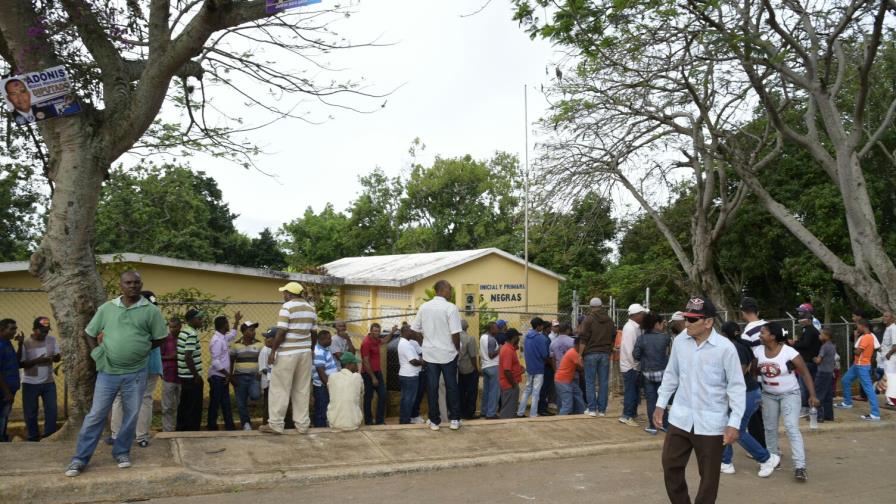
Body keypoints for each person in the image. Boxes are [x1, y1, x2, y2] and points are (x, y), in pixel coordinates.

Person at [65, 271, 167, 477]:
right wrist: (97, 352)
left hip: (137, 372)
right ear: (121, 285)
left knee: (131, 415)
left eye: (137, 282)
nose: (133, 286)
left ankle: (121, 452)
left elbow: (160, 337)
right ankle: (79, 459)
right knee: (96, 415)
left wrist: (142, 349)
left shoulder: (150, 310)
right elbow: (89, 332)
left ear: (141, 284)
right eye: (128, 282)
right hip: (108, 372)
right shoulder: (107, 308)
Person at [654, 297, 745, 504]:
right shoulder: (680, 342)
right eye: (686, 318)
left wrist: (734, 423)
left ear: (708, 322)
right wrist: (660, 404)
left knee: (709, 477)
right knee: (670, 464)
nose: (687, 324)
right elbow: (671, 375)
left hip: (711, 423)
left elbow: (736, 387)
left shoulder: (725, 348)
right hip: (681, 417)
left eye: (693, 320)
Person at [755, 322, 819, 481]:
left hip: (790, 394)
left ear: (773, 336)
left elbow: (805, 374)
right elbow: (754, 373)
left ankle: (800, 466)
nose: (760, 335)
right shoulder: (758, 351)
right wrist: (757, 393)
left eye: (763, 332)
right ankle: (772, 459)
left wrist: (812, 395)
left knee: (791, 427)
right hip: (768, 395)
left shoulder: (789, 352)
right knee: (769, 428)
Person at [718, 322, 780, 477]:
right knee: (727, 426)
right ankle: (725, 462)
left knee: (736, 431)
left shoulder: (736, 348)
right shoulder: (739, 346)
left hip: (746, 394)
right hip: (747, 392)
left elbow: (739, 372)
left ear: (725, 334)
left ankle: (766, 458)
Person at [261, 282, 318, 435]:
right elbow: (314, 333)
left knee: (280, 388)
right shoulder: (311, 309)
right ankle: (302, 424)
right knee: (302, 389)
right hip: (305, 353)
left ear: (290, 293)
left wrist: (273, 351)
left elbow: (281, 332)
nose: (283, 295)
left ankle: (276, 424)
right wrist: (311, 350)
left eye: (284, 292)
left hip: (287, 354)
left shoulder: (287, 307)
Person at [109, 291, 163, 447]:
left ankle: (116, 435)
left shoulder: (133, 316)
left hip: (130, 364)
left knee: (120, 397)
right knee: (145, 399)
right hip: (152, 365)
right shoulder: (156, 316)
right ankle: (142, 437)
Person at [411, 280, 463, 431]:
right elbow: (455, 333)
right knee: (452, 386)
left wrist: (424, 343)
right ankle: (454, 419)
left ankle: (434, 421)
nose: (451, 291)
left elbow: (415, 329)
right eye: (450, 289)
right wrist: (457, 349)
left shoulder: (424, 307)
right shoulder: (450, 308)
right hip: (447, 354)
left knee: (432, 387)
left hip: (430, 354)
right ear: (443, 290)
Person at [19, 316, 60, 441]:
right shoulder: (26, 342)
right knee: (31, 412)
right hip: (30, 383)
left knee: (52, 410)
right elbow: (21, 364)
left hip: (48, 382)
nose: (45, 333)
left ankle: (49, 435)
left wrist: (55, 357)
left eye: (47, 331)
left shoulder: (52, 340)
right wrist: (39, 360)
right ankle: (33, 437)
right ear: (34, 329)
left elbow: (58, 357)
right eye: (42, 331)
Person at [835, 319, 881, 421]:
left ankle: (875, 414)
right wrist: (856, 337)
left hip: (862, 366)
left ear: (863, 325)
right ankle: (847, 402)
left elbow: (857, 352)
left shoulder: (867, 337)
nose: (857, 328)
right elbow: (857, 348)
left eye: (857, 326)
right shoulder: (866, 336)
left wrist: (854, 350)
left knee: (868, 389)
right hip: (857, 365)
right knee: (845, 380)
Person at [633, 313, 670, 435]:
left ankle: (653, 426)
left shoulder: (642, 338)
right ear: (656, 324)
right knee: (662, 399)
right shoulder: (665, 338)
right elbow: (669, 355)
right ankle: (665, 425)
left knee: (651, 400)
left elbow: (636, 355)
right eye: (661, 323)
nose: (663, 325)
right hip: (663, 372)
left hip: (647, 373)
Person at [578, 297, 614, 417]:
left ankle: (592, 409)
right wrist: (608, 350)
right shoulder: (610, 320)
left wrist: (579, 355)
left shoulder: (588, 320)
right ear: (602, 306)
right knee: (603, 382)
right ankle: (602, 410)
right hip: (605, 353)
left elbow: (583, 339)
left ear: (590, 307)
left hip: (591, 354)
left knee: (590, 382)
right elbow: (613, 337)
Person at [739, 297, 767, 448]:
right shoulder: (771, 326)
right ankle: (772, 445)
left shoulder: (747, 334)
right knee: (770, 416)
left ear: (743, 312)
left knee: (755, 416)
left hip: (758, 378)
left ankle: (758, 446)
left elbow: (749, 360)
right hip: (776, 375)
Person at [207, 312, 241, 431]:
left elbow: (232, 335)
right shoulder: (217, 340)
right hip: (217, 377)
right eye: (227, 323)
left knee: (226, 403)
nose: (228, 325)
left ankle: (230, 427)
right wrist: (229, 376)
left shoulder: (223, 337)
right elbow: (215, 362)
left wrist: (236, 321)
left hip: (223, 377)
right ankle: (212, 427)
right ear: (223, 325)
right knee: (215, 404)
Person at [230, 321, 263, 430]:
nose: (254, 332)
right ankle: (246, 423)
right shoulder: (236, 345)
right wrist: (231, 376)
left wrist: (261, 372)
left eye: (254, 330)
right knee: (241, 403)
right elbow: (231, 361)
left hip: (254, 376)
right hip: (239, 377)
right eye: (251, 330)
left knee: (256, 395)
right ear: (244, 332)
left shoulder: (259, 344)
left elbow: (263, 360)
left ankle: (249, 391)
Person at [176, 309, 205, 431]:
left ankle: (181, 428)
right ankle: (192, 430)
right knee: (194, 406)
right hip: (191, 377)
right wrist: (196, 376)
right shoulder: (192, 334)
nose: (201, 321)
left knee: (184, 404)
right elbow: (188, 356)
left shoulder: (183, 332)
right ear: (191, 320)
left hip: (183, 375)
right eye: (199, 319)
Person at [619, 303, 647, 426]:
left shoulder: (635, 327)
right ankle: (626, 415)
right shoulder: (630, 328)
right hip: (630, 366)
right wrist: (635, 365)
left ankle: (632, 414)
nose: (643, 316)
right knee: (631, 391)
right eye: (642, 314)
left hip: (632, 365)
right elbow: (630, 349)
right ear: (636, 315)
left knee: (634, 391)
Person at [360, 323, 393, 425]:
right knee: (368, 397)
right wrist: (373, 377)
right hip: (368, 374)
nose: (377, 333)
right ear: (371, 331)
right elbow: (365, 361)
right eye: (375, 331)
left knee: (383, 395)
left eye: (378, 331)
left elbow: (384, 341)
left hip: (377, 372)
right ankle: (368, 421)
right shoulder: (366, 343)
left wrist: (392, 332)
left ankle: (379, 421)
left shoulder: (376, 340)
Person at [792, 306, 822, 416]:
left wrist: (794, 344)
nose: (800, 321)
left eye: (802, 319)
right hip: (809, 361)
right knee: (808, 384)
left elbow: (805, 344)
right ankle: (809, 406)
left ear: (809, 320)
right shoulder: (809, 330)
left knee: (803, 385)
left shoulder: (810, 330)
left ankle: (804, 408)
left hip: (808, 361)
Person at [518, 317, 550, 418]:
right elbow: (545, 355)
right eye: (541, 325)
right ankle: (533, 414)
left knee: (527, 390)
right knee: (536, 392)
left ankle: (520, 412)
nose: (542, 327)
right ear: (538, 326)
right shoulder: (540, 338)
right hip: (539, 368)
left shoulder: (527, 336)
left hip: (529, 367)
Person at [327, 352, 364, 431]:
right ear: (349, 364)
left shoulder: (332, 377)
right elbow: (362, 391)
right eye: (355, 364)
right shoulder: (357, 377)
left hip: (335, 423)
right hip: (353, 424)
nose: (357, 366)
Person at [0, 319, 22, 442]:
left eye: (15, 328)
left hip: (9, 389)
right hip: (3, 391)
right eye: (12, 328)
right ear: (2, 330)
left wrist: (20, 345)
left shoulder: (7, 343)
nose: (15, 331)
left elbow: (16, 361)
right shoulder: (0, 345)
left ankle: (3, 438)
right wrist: (6, 391)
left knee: (4, 416)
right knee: (2, 416)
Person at [398, 325, 425, 424]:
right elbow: (413, 361)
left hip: (408, 375)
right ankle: (405, 420)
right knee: (409, 399)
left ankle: (404, 419)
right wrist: (422, 362)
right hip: (409, 376)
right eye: (410, 331)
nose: (412, 333)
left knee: (406, 398)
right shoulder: (405, 344)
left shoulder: (406, 343)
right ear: (406, 332)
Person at [311, 330, 338, 428]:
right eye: (329, 338)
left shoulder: (324, 349)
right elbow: (320, 371)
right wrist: (328, 385)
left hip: (325, 385)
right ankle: (320, 430)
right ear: (323, 339)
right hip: (322, 386)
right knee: (321, 409)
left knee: (324, 408)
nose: (331, 340)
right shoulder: (319, 352)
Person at [159, 318, 182, 432]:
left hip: (182, 377)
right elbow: (159, 357)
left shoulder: (184, 338)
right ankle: (167, 430)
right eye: (170, 327)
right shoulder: (165, 340)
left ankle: (179, 428)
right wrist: (171, 357)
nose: (172, 329)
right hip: (168, 376)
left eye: (174, 327)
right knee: (167, 406)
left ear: (180, 327)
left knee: (181, 405)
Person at [498, 329, 524, 419]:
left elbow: (511, 367)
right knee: (508, 410)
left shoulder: (509, 348)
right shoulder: (507, 350)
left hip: (510, 383)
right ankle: (505, 429)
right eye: (517, 336)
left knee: (510, 408)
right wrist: (513, 384)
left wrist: (520, 369)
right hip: (509, 384)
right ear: (514, 338)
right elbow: (507, 370)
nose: (519, 338)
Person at [813, 328, 836, 423]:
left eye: (821, 334)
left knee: (818, 394)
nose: (819, 336)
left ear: (826, 336)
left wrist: (814, 358)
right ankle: (828, 415)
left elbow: (819, 360)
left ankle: (819, 416)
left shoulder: (824, 347)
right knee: (827, 395)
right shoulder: (832, 346)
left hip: (822, 372)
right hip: (829, 373)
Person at [457, 319, 479, 419]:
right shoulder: (470, 339)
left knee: (461, 391)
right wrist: (476, 369)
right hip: (469, 368)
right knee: (472, 392)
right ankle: (470, 413)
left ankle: (461, 412)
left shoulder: (454, 338)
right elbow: (473, 356)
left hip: (458, 368)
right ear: (467, 327)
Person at [554, 345, 585, 415]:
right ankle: (561, 419)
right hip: (563, 381)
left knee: (578, 394)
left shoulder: (572, 351)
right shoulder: (574, 353)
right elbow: (581, 368)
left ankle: (581, 413)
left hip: (566, 379)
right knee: (567, 405)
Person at [479, 321, 501, 420]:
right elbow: (491, 355)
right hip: (493, 366)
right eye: (496, 328)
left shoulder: (482, 337)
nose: (498, 329)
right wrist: (500, 348)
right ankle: (491, 413)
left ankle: (484, 411)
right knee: (494, 392)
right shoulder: (491, 339)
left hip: (485, 366)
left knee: (486, 391)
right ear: (491, 329)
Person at [258, 328, 276, 426]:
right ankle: (266, 424)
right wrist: (275, 374)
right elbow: (263, 368)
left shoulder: (274, 350)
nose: (266, 340)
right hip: (268, 383)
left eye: (269, 338)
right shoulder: (265, 351)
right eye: (266, 338)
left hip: (275, 382)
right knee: (268, 404)